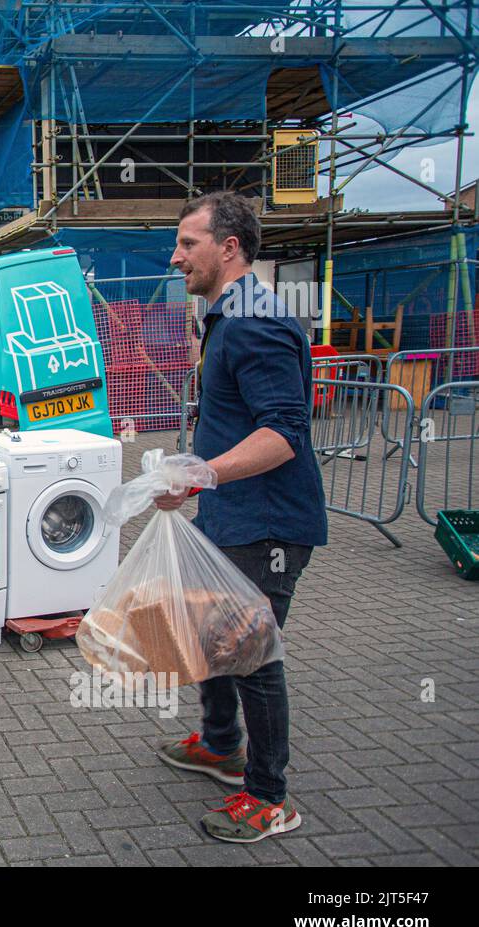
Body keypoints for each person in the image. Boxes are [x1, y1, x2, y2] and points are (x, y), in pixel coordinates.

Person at [155, 191, 327, 843]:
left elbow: (285, 432)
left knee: (252, 654)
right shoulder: (229, 315)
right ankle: (222, 745)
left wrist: (204, 474)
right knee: (213, 634)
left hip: (269, 526)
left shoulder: (255, 320)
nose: (176, 257)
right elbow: (236, 423)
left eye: (187, 244)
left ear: (229, 248)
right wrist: (194, 480)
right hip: (232, 517)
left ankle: (269, 796)